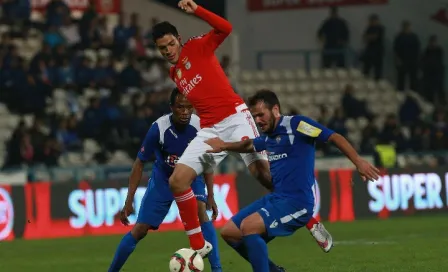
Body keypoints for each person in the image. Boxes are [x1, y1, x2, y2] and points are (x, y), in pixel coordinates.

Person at [205, 90, 380, 272]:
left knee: (249, 227)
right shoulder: (268, 137)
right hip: (277, 198)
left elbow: (332, 137)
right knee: (230, 233)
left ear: (275, 110)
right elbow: (249, 144)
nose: (257, 120)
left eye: (261, 114)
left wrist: (358, 161)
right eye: (254, 116)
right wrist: (223, 146)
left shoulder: (297, 125)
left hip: (297, 203)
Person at [150, 0, 272, 257]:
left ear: (179, 39)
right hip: (209, 129)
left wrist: (198, 11)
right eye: (163, 48)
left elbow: (226, 28)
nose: (169, 50)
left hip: (235, 117)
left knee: (263, 174)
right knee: (177, 181)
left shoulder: (196, 46)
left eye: (171, 44)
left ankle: (308, 218)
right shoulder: (175, 74)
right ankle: (197, 247)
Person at [108, 88, 222, 272]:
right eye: (180, 107)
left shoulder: (200, 127)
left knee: (201, 211)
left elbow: (207, 162)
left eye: (188, 107)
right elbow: (139, 164)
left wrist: (211, 195)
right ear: (171, 107)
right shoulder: (159, 129)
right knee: (140, 230)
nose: (185, 112)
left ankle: (217, 269)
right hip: (163, 180)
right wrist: (128, 202)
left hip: (191, 177)